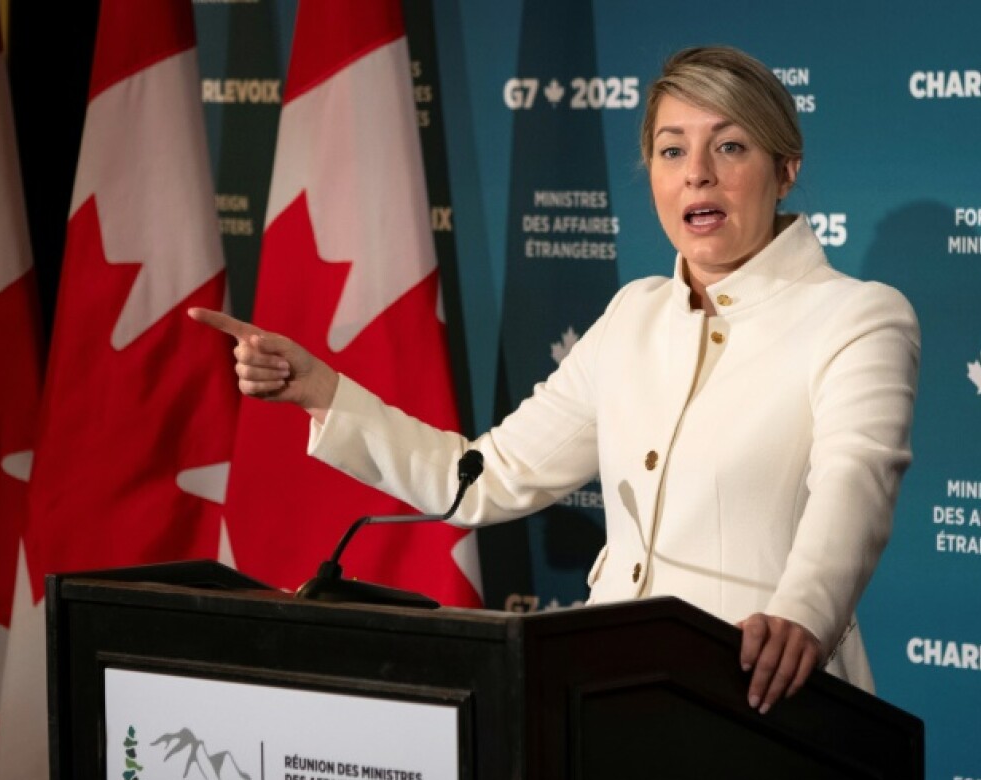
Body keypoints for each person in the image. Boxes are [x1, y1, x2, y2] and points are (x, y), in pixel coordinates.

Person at [190, 45, 919, 715]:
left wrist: (804, 612)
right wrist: (322, 390)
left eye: (729, 146)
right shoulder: (634, 315)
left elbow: (854, 482)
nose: (697, 171)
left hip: (764, 698)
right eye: (672, 150)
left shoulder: (856, 317)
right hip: (610, 695)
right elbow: (483, 477)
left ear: (785, 168)